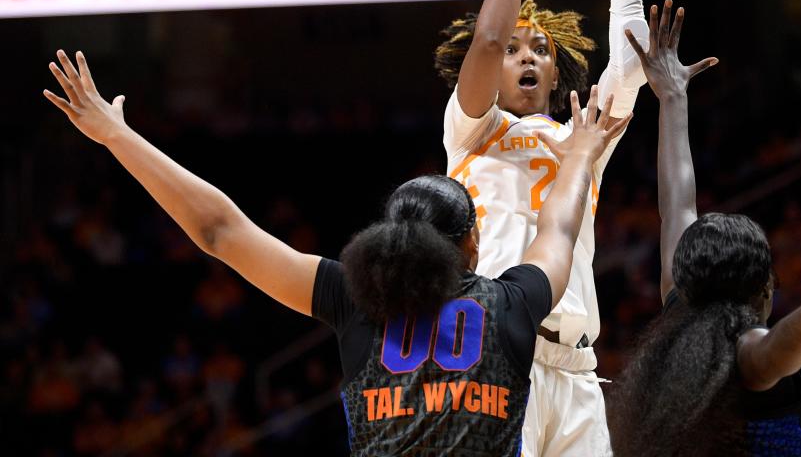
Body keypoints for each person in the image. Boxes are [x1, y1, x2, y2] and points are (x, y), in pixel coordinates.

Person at [43, 49, 629, 456]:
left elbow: (220, 230)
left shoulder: (353, 298)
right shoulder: (511, 303)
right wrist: (578, 152)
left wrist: (117, 135)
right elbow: (558, 226)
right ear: (472, 246)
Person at [608, 1, 801, 456]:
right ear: (761, 288)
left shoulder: (679, 312)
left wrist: (672, 98)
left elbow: (677, 206)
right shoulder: (746, 348)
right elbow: (778, 349)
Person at [434, 0, 646, 456]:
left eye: (541, 48)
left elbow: (632, 65)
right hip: (497, 352)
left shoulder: (583, 138)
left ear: (557, 67)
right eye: (517, 49)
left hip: (578, 369)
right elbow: (487, 39)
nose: (525, 56)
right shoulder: (471, 130)